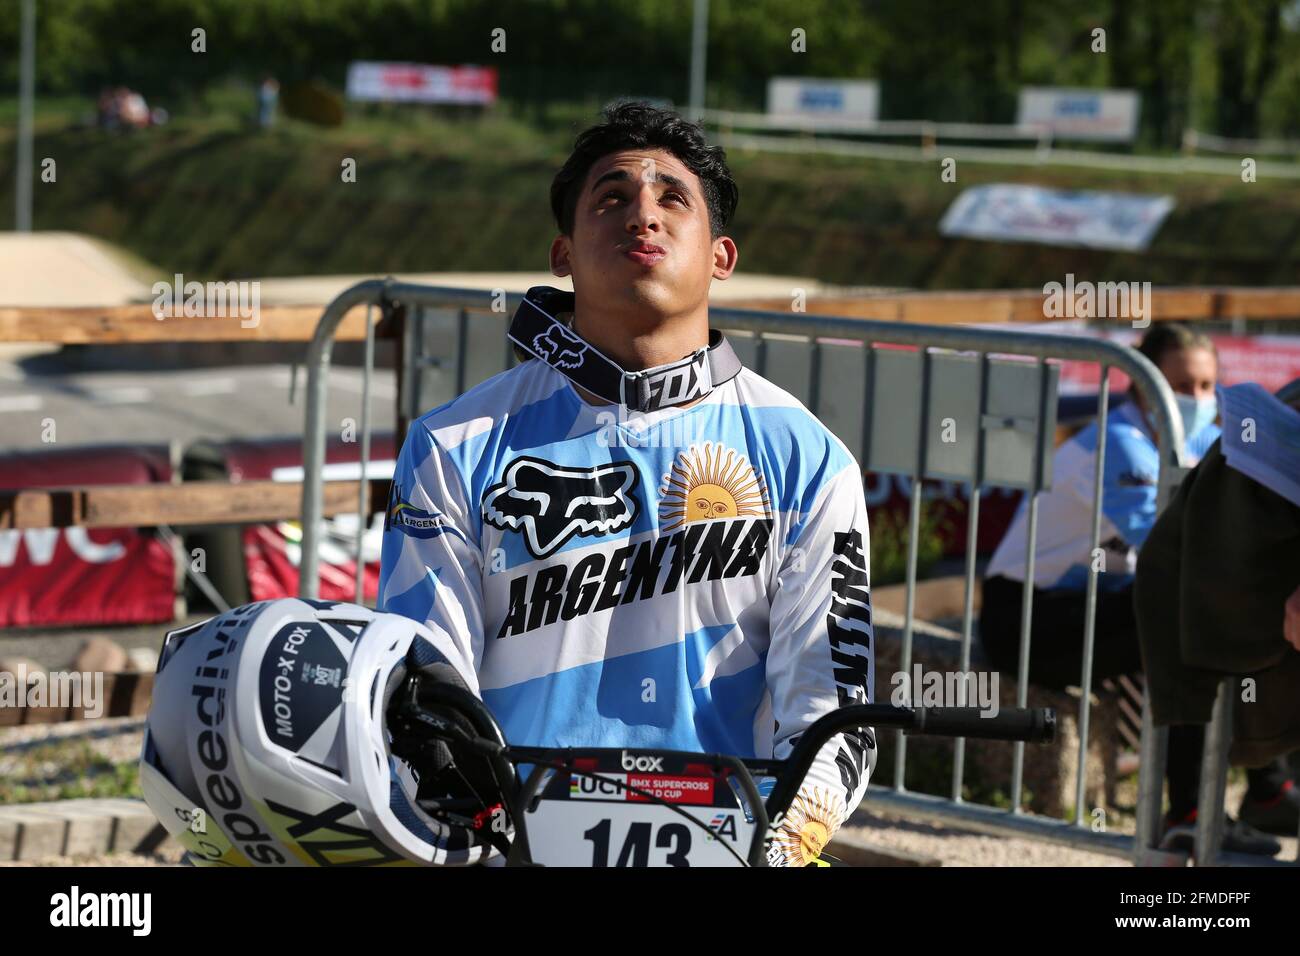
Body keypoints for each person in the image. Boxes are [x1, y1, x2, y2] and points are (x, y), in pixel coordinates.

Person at [377, 102, 875, 866]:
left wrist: (777, 845)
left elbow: (834, 706)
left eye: (673, 198)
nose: (643, 213)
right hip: (508, 845)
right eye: (610, 198)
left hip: (729, 846)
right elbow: (425, 681)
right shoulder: (450, 443)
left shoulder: (809, 459)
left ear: (720, 255)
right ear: (562, 255)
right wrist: (483, 830)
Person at [980, 323, 1288, 855]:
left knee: (1221, 616)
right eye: (1182, 386)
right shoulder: (1117, 443)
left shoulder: (1191, 439)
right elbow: (1176, 553)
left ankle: (1263, 790)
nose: (1197, 400)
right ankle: (1194, 811)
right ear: (1144, 385)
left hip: (1098, 605)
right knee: (1196, 621)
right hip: (1029, 620)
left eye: (1207, 387)